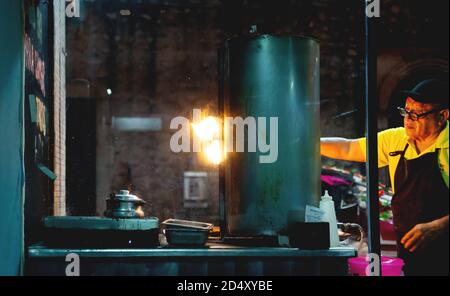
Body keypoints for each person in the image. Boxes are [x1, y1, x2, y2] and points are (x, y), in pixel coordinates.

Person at [321, 79, 449, 276]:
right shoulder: (397, 139)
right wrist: (309, 140)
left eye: (417, 114)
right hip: (410, 255)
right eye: (406, 111)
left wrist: (439, 227)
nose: (408, 119)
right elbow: (349, 147)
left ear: (442, 116)